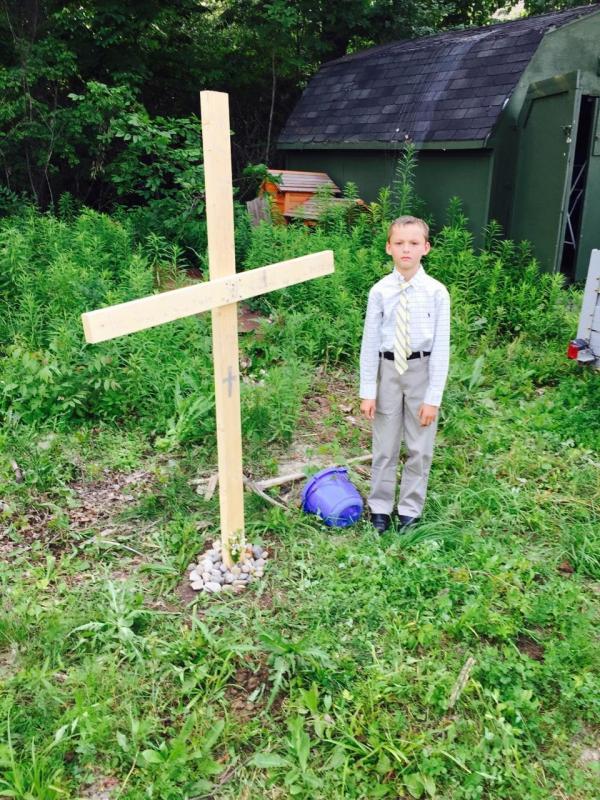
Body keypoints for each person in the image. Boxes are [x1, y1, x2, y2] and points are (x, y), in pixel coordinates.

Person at [359, 215, 450, 533]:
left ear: (426, 248)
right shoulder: (380, 291)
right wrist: (368, 389)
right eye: (399, 243)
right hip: (388, 371)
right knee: (385, 446)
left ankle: (410, 509)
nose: (406, 250)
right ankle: (380, 508)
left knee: (419, 447)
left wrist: (433, 397)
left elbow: (441, 347)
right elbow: (369, 341)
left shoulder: (437, 293)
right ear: (389, 248)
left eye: (413, 243)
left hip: (420, 372)